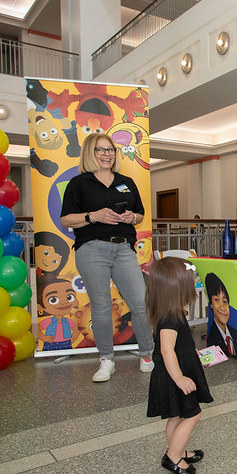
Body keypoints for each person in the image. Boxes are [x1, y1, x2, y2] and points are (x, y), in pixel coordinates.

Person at [60, 132, 154, 382]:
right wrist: (93, 216)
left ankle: (147, 355)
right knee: (100, 307)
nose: (107, 155)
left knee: (140, 302)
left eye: (110, 150)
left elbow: (141, 215)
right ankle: (106, 360)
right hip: (91, 249)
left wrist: (130, 218)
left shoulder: (127, 181)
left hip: (124, 248)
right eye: (101, 150)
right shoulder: (78, 183)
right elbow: (66, 219)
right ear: (90, 154)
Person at [145, 257, 213, 474]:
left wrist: (191, 352)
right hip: (174, 376)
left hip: (176, 372)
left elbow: (177, 345)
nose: (194, 283)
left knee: (176, 416)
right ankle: (173, 457)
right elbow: (166, 351)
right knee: (193, 415)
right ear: (177, 288)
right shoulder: (170, 318)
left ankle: (179, 449)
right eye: (191, 280)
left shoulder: (172, 312)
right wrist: (180, 378)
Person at [203, 272, 237, 360]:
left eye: (224, 301)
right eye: (216, 300)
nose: (222, 307)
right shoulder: (212, 338)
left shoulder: (236, 334)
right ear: (211, 304)